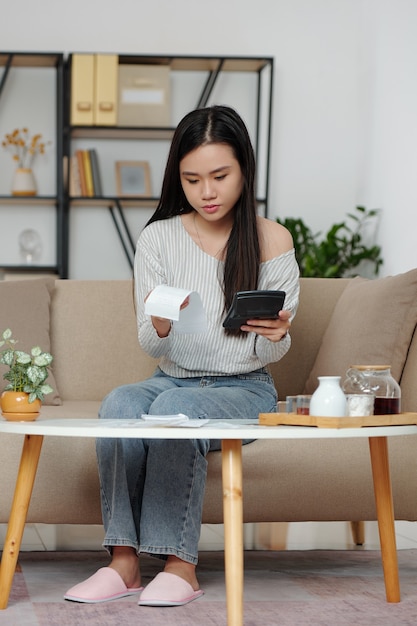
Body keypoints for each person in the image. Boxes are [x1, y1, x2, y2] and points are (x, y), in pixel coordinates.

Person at [64, 105, 299, 607]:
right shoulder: (158, 238)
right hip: (171, 378)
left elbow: (270, 351)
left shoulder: (271, 239)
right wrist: (162, 324)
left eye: (220, 176)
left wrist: (276, 334)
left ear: (244, 171)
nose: (206, 192)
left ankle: (179, 565)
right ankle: (123, 562)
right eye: (192, 180)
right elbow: (151, 344)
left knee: (179, 416)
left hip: (245, 387)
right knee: (120, 405)